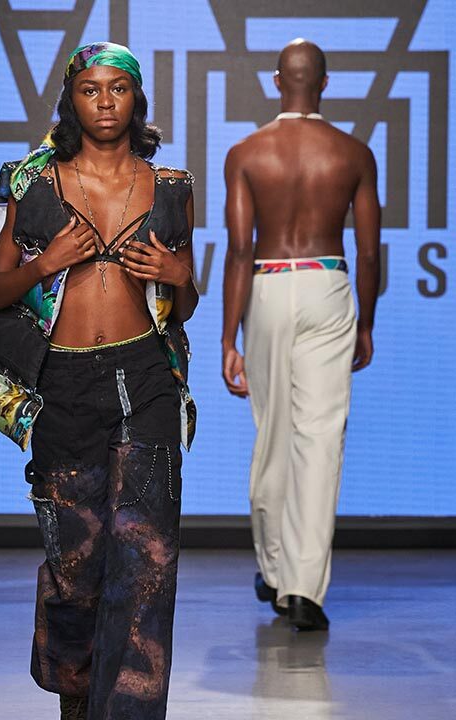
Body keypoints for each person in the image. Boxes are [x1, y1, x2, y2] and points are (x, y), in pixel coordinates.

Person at [0, 42, 198, 719]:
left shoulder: (171, 187)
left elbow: (182, 305)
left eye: (118, 88)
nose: (105, 102)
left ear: (137, 99)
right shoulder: (32, 184)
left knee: (148, 559)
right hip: (65, 385)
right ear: (71, 101)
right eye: (90, 89)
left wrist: (180, 278)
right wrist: (46, 263)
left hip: (145, 378)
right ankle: (76, 696)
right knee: (75, 566)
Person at [222, 39, 380, 631]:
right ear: (325, 82)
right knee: (319, 438)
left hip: (266, 284)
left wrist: (228, 340)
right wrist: (366, 322)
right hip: (327, 282)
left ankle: (273, 567)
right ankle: (303, 589)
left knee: (273, 433)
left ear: (276, 81)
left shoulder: (246, 152)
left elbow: (239, 250)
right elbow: (369, 253)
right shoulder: (353, 153)